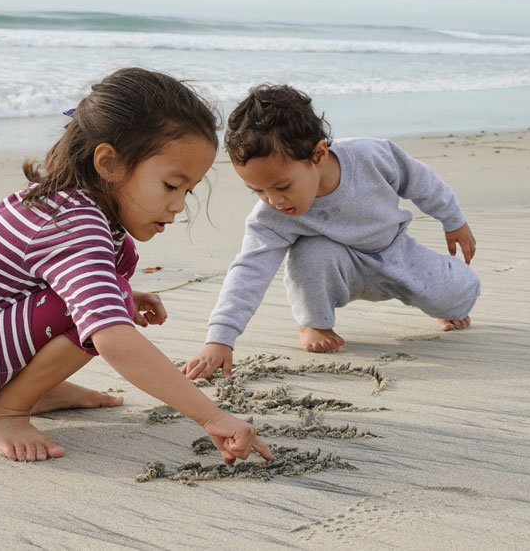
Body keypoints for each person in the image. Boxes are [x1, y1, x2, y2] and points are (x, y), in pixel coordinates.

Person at [0, 67, 272, 464]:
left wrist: (116, 295)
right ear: (109, 163)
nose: (179, 205)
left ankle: (38, 389)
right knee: (111, 305)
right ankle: (4, 414)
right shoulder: (73, 224)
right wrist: (211, 416)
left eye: (187, 191)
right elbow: (114, 339)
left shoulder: (78, 208)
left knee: (119, 268)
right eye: (170, 185)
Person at [183, 84, 480, 380]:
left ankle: (443, 294)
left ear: (319, 154)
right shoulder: (272, 217)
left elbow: (420, 181)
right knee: (310, 253)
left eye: (282, 186)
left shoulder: (370, 155)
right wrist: (220, 338)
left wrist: (453, 220)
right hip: (339, 267)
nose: (273, 200)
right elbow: (249, 270)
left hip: (396, 253)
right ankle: (315, 323)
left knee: (460, 297)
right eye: (257, 191)